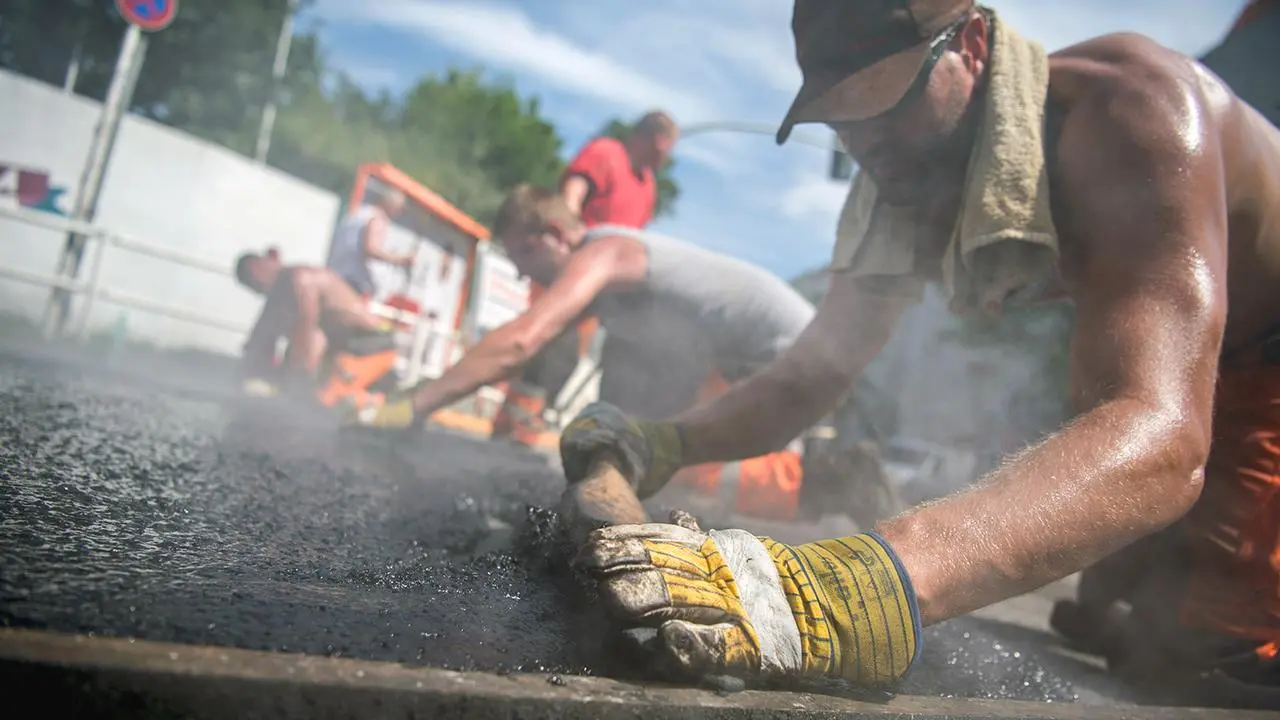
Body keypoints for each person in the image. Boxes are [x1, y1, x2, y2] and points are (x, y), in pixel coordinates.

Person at [560, 0, 1280, 693]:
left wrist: (875, 579)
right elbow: (810, 377)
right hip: (1189, 359)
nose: (862, 139)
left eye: (883, 98)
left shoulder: (1134, 114)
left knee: (1208, 646)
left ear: (969, 47)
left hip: (1263, 356)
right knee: (1112, 605)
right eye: (840, 112)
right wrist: (661, 441)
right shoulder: (902, 178)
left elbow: (1163, 435)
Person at [347, 185, 880, 524]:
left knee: (682, 463)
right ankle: (824, 486)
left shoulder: (607, 251)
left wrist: (416, 401)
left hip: (792, 361)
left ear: (555, 234)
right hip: (736, 359)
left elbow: (522, 339)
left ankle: (839, 480)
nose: (521, 273)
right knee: (629, 415)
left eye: (523, 255)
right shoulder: (617, 283)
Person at [500, 111, 681, 446]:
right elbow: (571, 197)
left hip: (607, 285)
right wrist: (572, 246)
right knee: (547, 343)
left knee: (576, 357)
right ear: (641, 137)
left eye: (666, 155)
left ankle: (535, 428)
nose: (661, 160)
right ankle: (510, 427)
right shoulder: (607, 153)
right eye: (658, 151)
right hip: (574, 271)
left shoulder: (648, 186)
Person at [235, 250, 391, 395]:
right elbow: (262, 334)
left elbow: (307, 332)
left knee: (313, 388)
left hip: (368, 342)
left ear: (258, 272)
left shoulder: (301, 280)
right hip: (341, 345)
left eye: (253, 286)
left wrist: (293, 381)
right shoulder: (282, 289)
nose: (257, 293)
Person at [326, 187, 413, 299]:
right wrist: (399, 259)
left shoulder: (359, 212)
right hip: (352, 282)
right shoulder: (378, 219)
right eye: (400, 208)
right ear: (391, 204)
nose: (400, 213)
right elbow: (371, 248)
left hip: (334, 272)